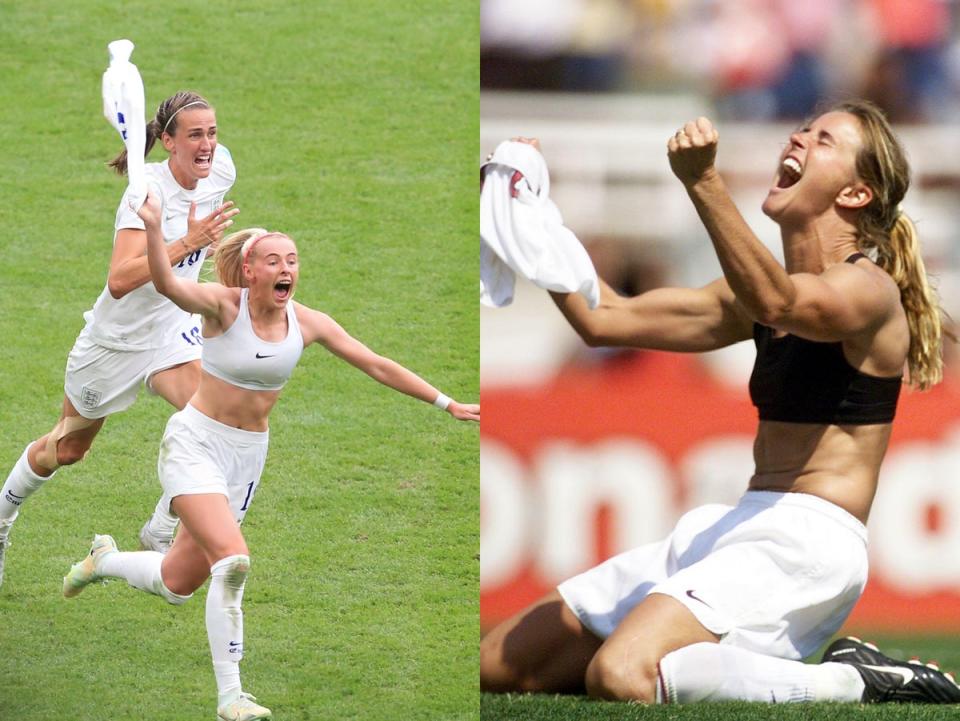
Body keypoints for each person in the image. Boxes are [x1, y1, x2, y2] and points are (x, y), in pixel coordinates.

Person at [479, 101, 960, 705]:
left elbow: (781, 303)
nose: (800, 136)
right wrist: (530, 216)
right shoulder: (755, 295)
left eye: (825, 139)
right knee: (499, 666)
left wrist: (704, 183)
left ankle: (854, 680)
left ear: (857, 194)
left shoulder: (868, 290)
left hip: (807, 546)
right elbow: (605, 319)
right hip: (735, 526)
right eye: (803, 128)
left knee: (622, 673)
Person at [61, 198, 480, 720]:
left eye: (294, 260)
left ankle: (104, 561)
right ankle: (231, 697)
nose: (287, 269)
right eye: (276, 260)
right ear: (251, 271)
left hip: (246, 459)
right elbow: (168, 285)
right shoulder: (222, 306)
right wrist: (152, 229)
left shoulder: (307, 322)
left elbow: (376, 364)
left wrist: (447, 402)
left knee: (177, 583)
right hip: (194, 445)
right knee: (233, 562)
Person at [0, 91, 239, 588]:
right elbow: (120, 279)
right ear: (167, 142)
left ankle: (159, 528)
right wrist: (186, 244)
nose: (208, 145)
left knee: (213, 420)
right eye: (195, 135)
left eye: (212, 132)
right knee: (66, 449)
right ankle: (2, 518)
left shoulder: (220, 171)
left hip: (173, 329)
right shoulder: (143, 194)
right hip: (116, 342)